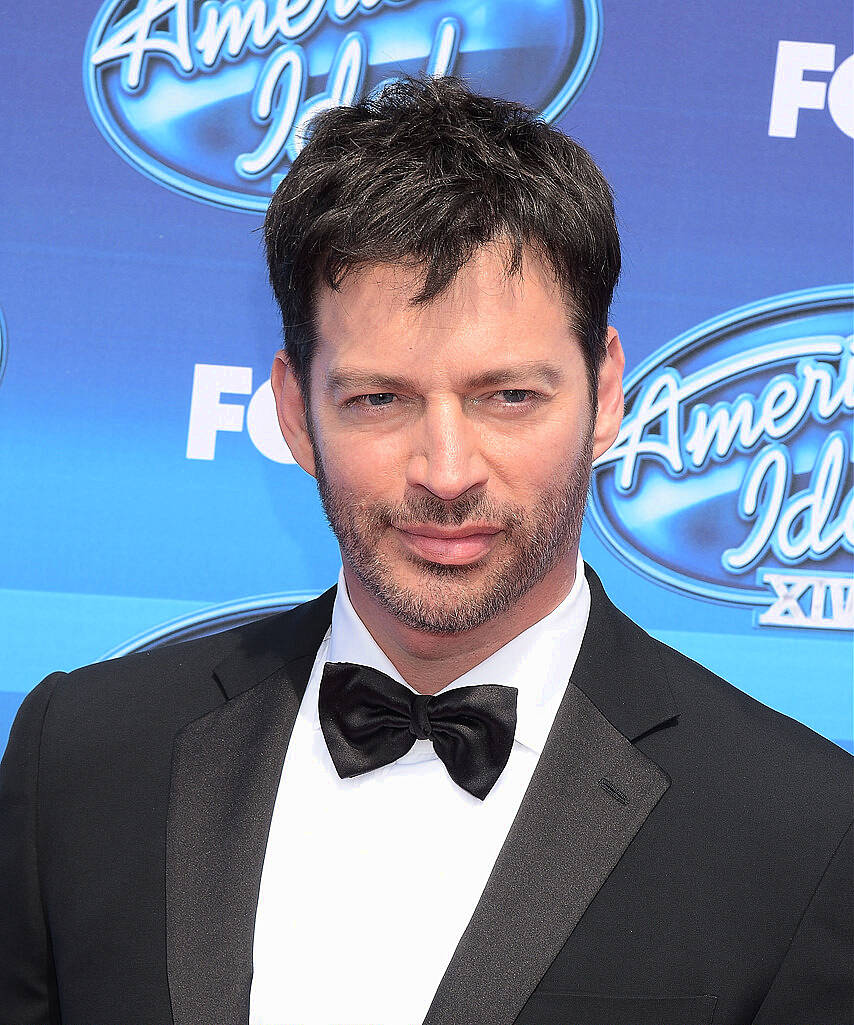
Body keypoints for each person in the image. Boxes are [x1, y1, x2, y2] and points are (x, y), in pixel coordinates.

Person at [0, 75, 851, 1025]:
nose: (447, 473)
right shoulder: (81, 756)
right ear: (293, 409)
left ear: (608, 392)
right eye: (380, 399)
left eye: (508, 397)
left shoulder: (802, 834)